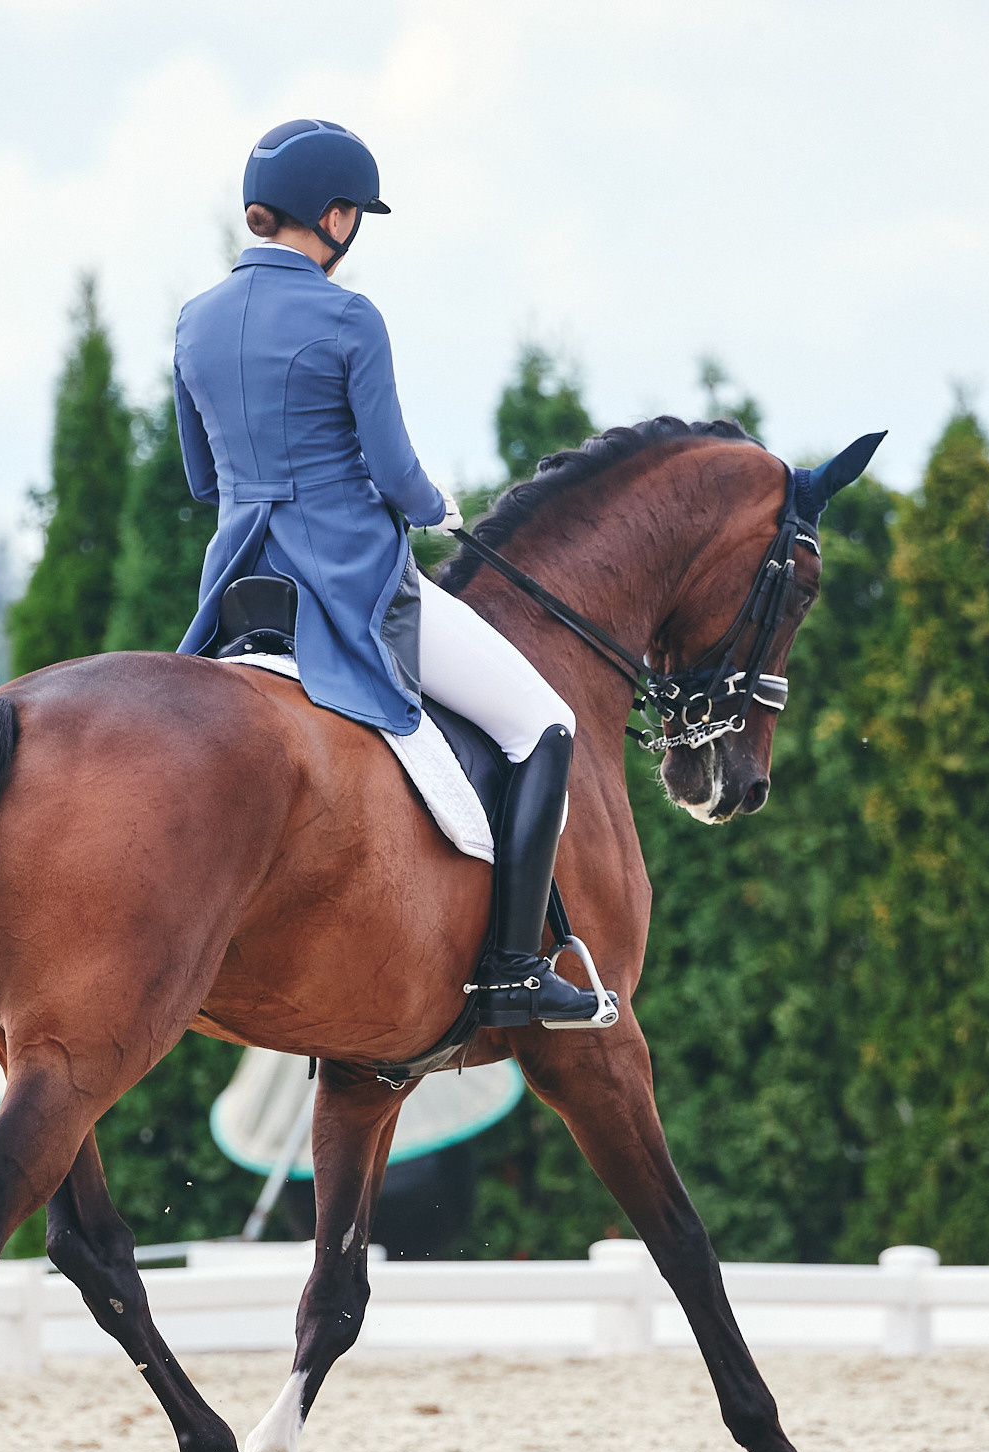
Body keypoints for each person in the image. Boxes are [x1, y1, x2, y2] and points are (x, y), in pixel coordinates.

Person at [172, 119, 600, 1028]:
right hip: (350, 580)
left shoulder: (194, 321)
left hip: (241, 585)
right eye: (354, 214)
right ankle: (514, 969)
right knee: (544, 724)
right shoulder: (349, 317)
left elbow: (203, 478)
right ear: (333, 216)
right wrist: (435, 505)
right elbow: (397, 475)